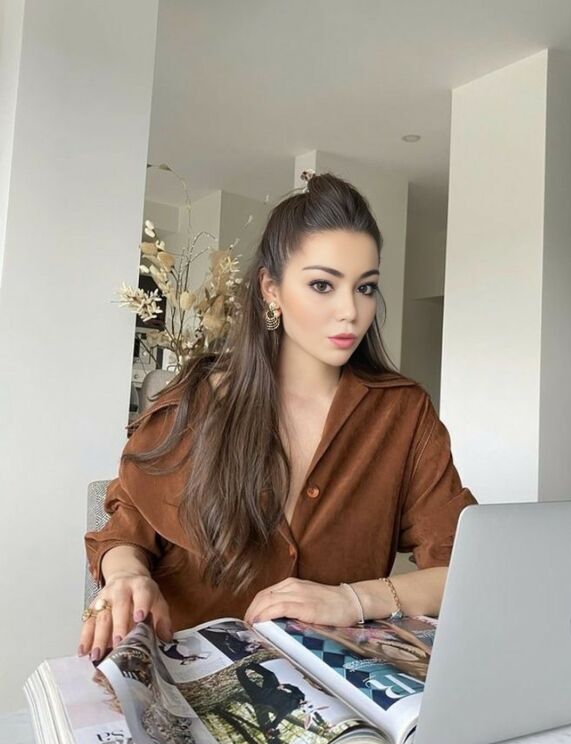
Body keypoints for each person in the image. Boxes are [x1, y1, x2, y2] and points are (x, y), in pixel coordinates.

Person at [79, 171, 477, 663]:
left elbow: (466, 566)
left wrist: (352, 599)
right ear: (271, 289)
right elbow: (127, 526)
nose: (350, 311)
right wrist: (127, 576)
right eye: (322, 285)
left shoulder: (402, 413)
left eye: (365, 287)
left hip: (333, 686)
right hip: (189, 677)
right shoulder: (196, 401)